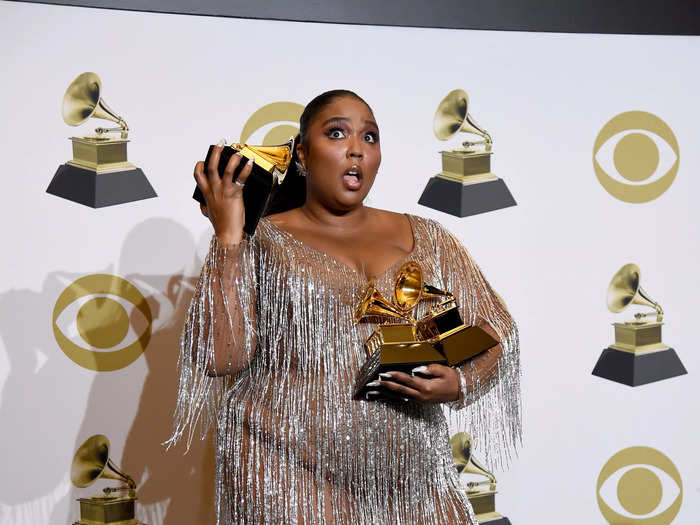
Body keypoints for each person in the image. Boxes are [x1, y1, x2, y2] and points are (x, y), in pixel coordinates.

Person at [168, 90, 521, 524]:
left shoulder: (427, 236)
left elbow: (496, 328)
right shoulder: (259, 238)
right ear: (302, 152)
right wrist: (228, 236)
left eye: (370, 138)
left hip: (411, 478)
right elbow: (221, 356)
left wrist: (459, 383)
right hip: (284, 470)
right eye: (337, 133)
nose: (356, 148)